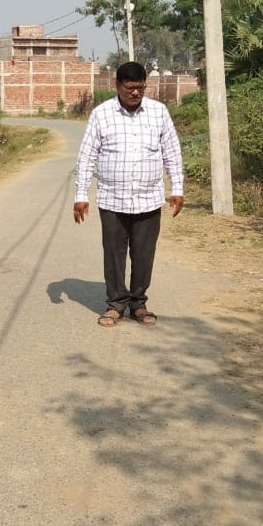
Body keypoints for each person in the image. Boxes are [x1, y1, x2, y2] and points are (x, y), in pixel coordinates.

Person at [73, 61, 185, 327]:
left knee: (144, 254)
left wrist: (177, 189)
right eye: (130, 87)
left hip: (149, 198)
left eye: (140, 88)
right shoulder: (101, 114)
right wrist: (81, 194)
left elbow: (172, 152)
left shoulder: (158, 112)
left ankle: (138, 304)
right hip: (112, 199)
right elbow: (87, 156)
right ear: (117, 85)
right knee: (114, 254)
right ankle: (115, 304)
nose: (135, 93)